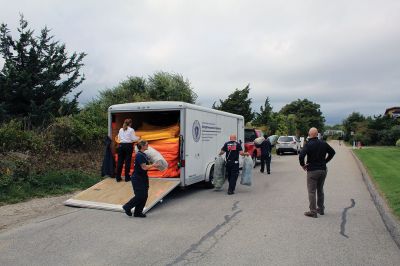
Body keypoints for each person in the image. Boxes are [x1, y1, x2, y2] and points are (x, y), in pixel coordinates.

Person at [299, 127, 336, 218]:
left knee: (311, 191)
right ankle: (321, 209)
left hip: (312, 171)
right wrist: (325, 161)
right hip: (323, 170)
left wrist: (303, 165)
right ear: (317, 134)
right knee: (320, 190)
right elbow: (332, 152)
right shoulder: (323, 143)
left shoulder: (308, 144)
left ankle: (313, 211)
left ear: (309, 134)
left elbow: (301, 156)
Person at [122, 140, 158, 218]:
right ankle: (127, 207)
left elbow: (146, 164)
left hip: (143, 177)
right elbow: (144, 167)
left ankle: (138, 212)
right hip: (137, 178)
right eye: (146, 144)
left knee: (144, 195)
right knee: (140, 195)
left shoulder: (143, 154)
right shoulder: (139, 155)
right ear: (142, 146)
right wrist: (154, 165)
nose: (148, 145)